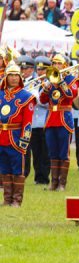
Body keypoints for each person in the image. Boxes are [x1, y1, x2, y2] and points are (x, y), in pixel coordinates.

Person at [39, 54, 79, 191]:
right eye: (54, 63)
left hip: (64, 118)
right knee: (53, 152)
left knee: (63, 152)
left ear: (65, 65)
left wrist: (60, 81)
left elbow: (70, 96)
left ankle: (62, 183)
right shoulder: (50, 80)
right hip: (51, 119)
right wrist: (46, 88)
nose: (56, 66)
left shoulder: (71, 79)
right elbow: (43, 100)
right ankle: (53, 183)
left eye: (59, 63)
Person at [0, 63, 36, 207]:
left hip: (15, 138)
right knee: (4, 169)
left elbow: (27, 123)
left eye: (16, 75)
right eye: (11, 75)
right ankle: (7, 199)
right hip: (1, 137)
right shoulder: (1, 95)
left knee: (17, 170)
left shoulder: (26, 97)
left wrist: (24, 142)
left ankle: (16, 200)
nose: (14, 78)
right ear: (6, 77)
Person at [25, 56, 51, 185]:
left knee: (44, 152)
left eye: (43, 69)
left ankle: (44, 177)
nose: (40, 72)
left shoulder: (50, 83)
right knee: (35, 151)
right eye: (39, 69)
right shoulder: (34, 82)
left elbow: (47, 103)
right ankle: (37, 176)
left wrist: (37, 97)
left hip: (45, 121)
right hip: (34, 123)